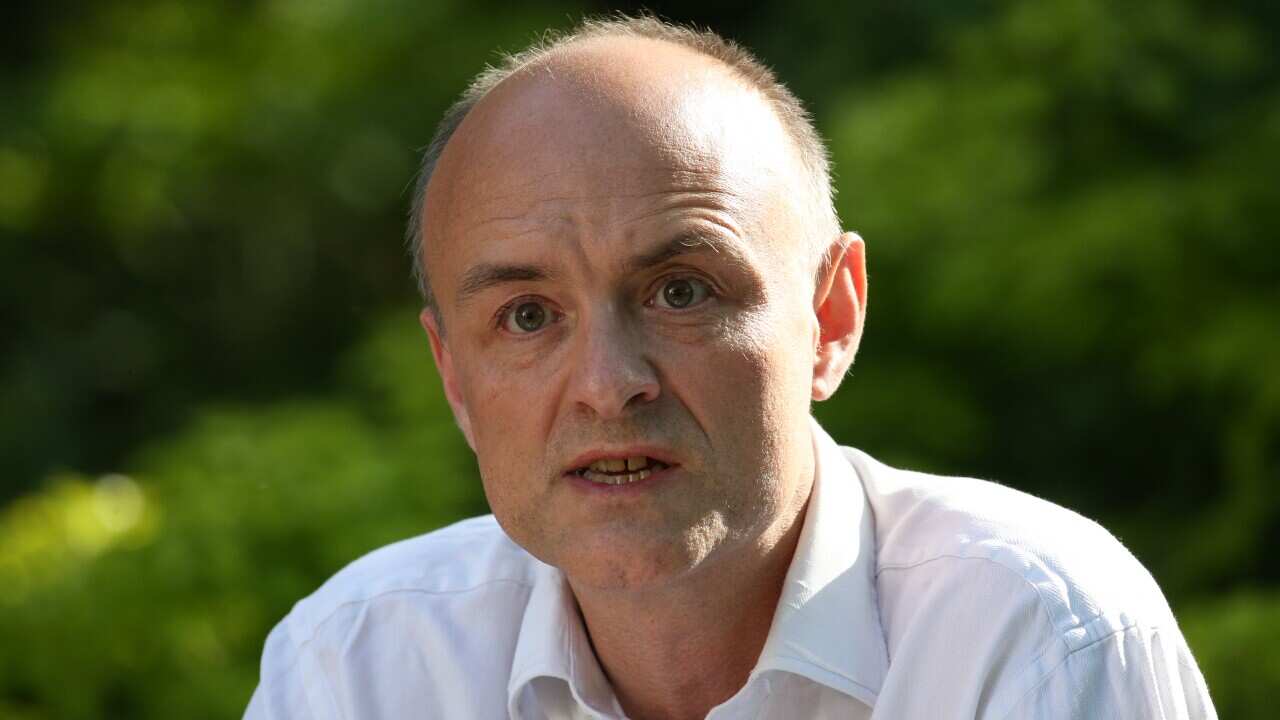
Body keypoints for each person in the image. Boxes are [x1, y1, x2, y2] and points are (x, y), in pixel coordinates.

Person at [245, 15, 1216, 720]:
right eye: (528, 315)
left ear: (830, 318)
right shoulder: (355, 668)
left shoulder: (1033, 631)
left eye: (681, 292)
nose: (607, 384)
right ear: (455, 378)